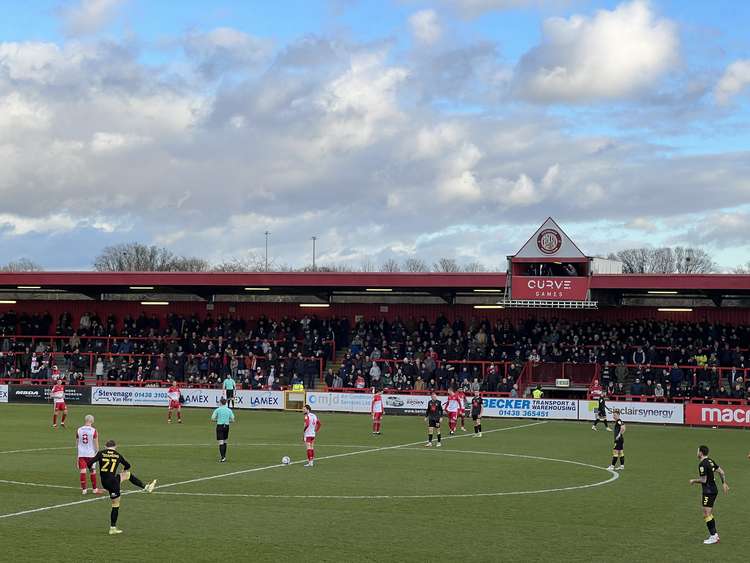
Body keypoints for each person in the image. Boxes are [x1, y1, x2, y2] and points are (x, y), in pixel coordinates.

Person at [87, 439, 157, 535]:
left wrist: (91, 469)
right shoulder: (117, 455)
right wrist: (124, 469)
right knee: (116, 504)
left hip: (104, 482)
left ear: (105, 446)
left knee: (126, 476)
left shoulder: (101, 453)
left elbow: (90, 462)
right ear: (115, 447)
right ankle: (113, 528)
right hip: (113, 483)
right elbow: (128, 465)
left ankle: (146, 487)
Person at [690, 445, 729, 545]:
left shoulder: (702, 464)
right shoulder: (711, 461)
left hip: (708, 491)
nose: (697, 452)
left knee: (706, 514)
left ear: (701, 453)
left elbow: (704, 480)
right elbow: (722, 472)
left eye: (697, 451)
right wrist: (724, 483)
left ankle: (713, 536)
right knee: (708, 513)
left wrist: (694, 480)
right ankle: (715, 535)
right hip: (713, 490)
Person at [76, 414, 100, 495]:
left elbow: (77, 443)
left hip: (81, 454)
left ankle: (84, 490)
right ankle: (94, 489)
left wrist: (78, 454)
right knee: (92, 471)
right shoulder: (94, 430)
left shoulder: (79, 430)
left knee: (83, 471)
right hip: (91, 454)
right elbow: (96, 444)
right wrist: (97, 453)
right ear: (92, 421)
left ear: (85, 420)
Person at [211, 398, 235, 462]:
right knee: (225, 441)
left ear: (221, 403)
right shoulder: (229, 410)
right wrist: (227, 420)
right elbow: (233, 420)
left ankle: (223, 457)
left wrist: (218, 420)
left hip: (220, 426)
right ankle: (224, 456)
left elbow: (212, 418)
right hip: (226, 426)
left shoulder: (218, 410)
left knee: (221, 442)